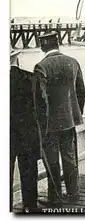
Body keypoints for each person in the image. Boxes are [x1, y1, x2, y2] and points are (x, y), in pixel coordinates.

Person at [33, 32, 85, 206]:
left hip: (50, 124)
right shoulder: (73, 62)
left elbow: (40, 100)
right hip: (69, 120)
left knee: (52, 160)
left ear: (43, 46)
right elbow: (81, 92)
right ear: (57, 43)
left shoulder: (41, 67)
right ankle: (73, 193)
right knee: (69, 157)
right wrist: (76, 113)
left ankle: (55, 197)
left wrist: (41, 123)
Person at [10, 48, 39, 211]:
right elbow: (39, 106)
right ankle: (30, 206)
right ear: (16, 59)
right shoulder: (30, 78)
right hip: (27, 132)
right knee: (28, 170)